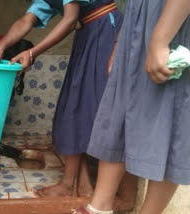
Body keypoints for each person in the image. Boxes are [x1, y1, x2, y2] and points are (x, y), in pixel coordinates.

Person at [0, 0, 137, 201]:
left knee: (94, 108)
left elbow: (70, 18)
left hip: (106, 32)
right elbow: (25, 21)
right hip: (88, 34)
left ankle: (82, 187)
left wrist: (32, 52)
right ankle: (80, 183)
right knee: (75, 105)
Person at [73, 0, 190, 213]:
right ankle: (98, 208)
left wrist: (160, 40)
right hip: (142, 20)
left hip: (172, 20)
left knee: (169, 118)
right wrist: (121, 42)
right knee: (120, 108)